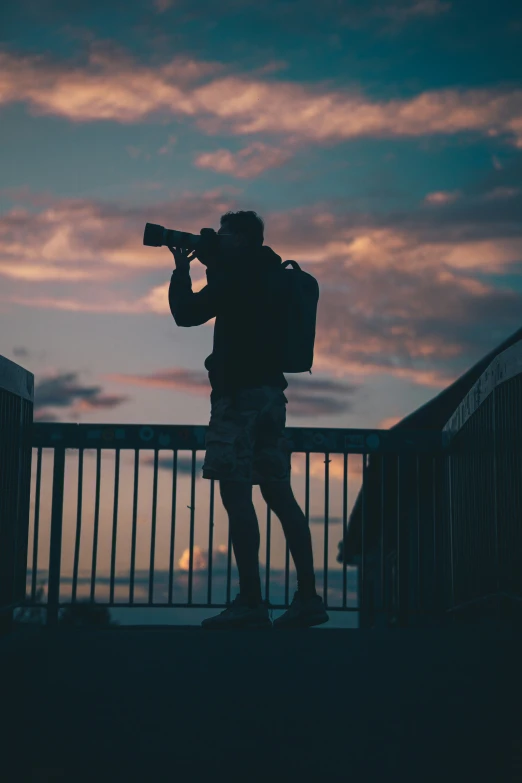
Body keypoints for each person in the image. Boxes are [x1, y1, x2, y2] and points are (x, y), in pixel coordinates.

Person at [168, 210, 329, 630]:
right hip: (272, 398)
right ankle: (308, 597)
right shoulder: (274, 275)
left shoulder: (236, 276)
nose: (217, 241)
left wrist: (182, 270)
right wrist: (216, 262)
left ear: (239, 239)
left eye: (223, 236)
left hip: (237, 395)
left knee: (236, 495)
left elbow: (187, 313)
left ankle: (251, 602)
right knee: (279, 494)